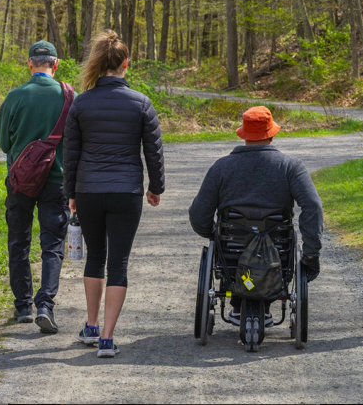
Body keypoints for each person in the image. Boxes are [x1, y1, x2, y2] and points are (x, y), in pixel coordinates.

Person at [63, 30, 164, 358]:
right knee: (118, 262)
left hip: (89, 190)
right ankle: (106, 338)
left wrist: (71, 192)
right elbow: (154, 151)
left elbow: (71, 152)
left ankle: (91, 325)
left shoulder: (81, 102)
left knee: (95, 257)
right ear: (126, 65)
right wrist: (155, 187)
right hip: (126, 191)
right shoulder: (141, 103)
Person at [188, 106, 323, 326]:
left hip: (230, 251)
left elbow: (199, 214)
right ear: (271, 134)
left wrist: (213, 235)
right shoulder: (291, 167)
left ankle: (237, 302)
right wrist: (311, 253)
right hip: (277, 252)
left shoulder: (221, 167)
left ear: (243, 134)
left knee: (227, 247)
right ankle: (267, 299)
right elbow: (313, 207)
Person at [0, 40, 73, 334]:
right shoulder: (70, 97)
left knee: (19, 242)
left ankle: (23, 307)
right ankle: (45, 305)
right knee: (52, 246)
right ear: (56, 64)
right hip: (57, 182)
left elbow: (4, 144)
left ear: (30, 64)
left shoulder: (15, 97)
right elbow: (76, 144)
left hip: (20, 182)